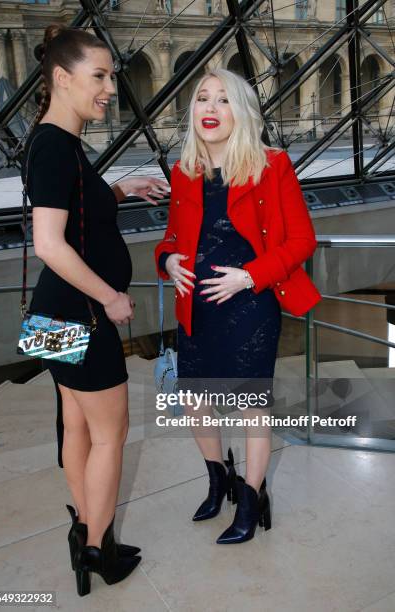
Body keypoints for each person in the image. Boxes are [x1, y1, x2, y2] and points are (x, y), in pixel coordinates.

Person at [21, 25, 170, 595]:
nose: (111, 87)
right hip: (81, 316)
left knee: (76, 425)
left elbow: (74, 205)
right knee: (111, 433)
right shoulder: (58, 146)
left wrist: (119, 190)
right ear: (63, 77)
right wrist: (109, 297)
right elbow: (50, 243)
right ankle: (97, 551)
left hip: (50, 319)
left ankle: (86, 531)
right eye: (100, 76)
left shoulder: (50, 139)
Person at [155, 68, 321, 544]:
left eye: (223, 100)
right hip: (197, 308)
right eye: (202, 98)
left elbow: (301, 240)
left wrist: (250, 276)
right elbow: (170, 238)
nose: (210, 108)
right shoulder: (184, 171)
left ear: (241, 111)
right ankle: (218, 481)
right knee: (194, 402)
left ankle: (251, 497)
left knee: (251, 408)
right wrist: (167, 262)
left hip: (250, 306)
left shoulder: (273, 165)